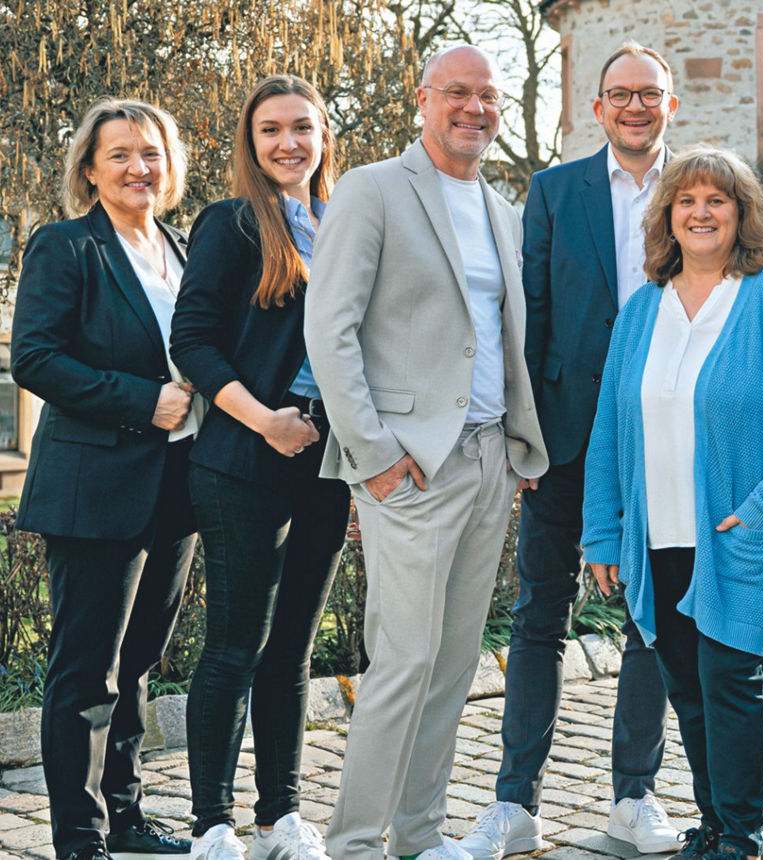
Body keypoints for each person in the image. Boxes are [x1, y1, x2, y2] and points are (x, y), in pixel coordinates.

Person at [303, 45, 549, 860]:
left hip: (488, 462)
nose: (475, 108)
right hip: (406, 465)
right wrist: (371, 452)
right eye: (458, 93)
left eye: (488, 96)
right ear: (423, 101)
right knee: (403, 660)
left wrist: (515, 450)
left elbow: (501, 339)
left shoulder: (502, 208)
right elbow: (329, 330)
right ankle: (352, 845)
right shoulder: (372, 189)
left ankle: (420, 836)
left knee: (452, 665)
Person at [583, 146, 763, 860]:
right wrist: (604, 531)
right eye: (687, 201)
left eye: (717, 200)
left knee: (732, 683)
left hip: (737, 531)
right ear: (668, 215)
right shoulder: (642, 311)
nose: (701, 213)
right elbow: (610, 428)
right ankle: (714, 825)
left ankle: (743, 834)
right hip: (655, 532)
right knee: (687, 690)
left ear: (743, 213)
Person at [460, 41, 678, 860]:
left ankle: (634, 797)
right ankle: (516, 802)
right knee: (539, 616)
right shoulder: (553, 192)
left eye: (648, 94)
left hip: (666, 436)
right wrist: (525, 439)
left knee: (647, 620)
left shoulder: (702, 189)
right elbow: (530, 321)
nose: (634, 106)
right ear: (596, 108)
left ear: (670, 105)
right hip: (565, 437)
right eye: (619, 94)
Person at [169, 74, 350, 860]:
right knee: (235, 644)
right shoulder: (234, 223)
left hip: (325, 462)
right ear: (251, 142)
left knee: (293, 649)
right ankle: (212, 821)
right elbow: (194, 339)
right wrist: (265, 421)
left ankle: (281, 816)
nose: (288, 144)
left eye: (302, 128)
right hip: (244, 456)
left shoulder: (344, 223)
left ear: (323, 138)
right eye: (271, 130)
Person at [11, 98, 197, 860]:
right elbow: (36, 358)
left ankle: (126, 817)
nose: (138, 167)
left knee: (141, 666)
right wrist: (141, 402)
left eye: (150, 152)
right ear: (89, 168)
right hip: (95, 488)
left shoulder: (183, 247)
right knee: (87, 671)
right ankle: (79, 838)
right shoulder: (66, 246)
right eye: (119, 153)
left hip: (176, 489)